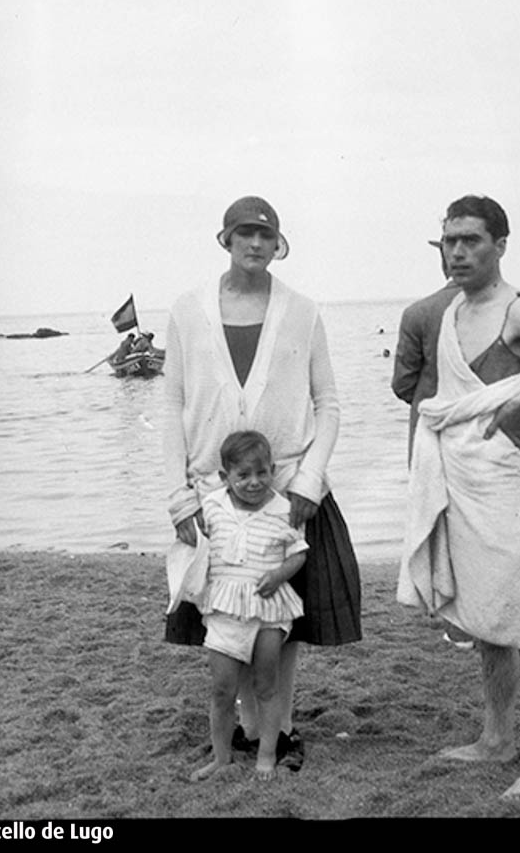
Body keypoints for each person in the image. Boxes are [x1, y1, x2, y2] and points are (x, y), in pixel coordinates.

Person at [397, 194, 520, 799]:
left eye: (471, 240)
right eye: (450, 240)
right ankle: (495, 738)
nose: (457, 251)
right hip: (456, 476)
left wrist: (519, 401)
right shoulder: (452, 311)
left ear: (500, 245)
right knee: (487, 617)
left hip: (502, 479)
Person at [162, 195, 362, 772]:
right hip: (211, 489)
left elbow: (328, 404)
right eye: (243, 233)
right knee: (226, 610)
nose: (255, 244)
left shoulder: (302, 310)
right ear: (224, 239)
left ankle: (280, 728)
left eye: (265, 235)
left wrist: (310, 482)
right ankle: (248, 730)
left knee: (279, 612)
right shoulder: (186, 310)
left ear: (279, 244)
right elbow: (172, 402)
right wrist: (179, 497)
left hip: (287, 491)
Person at [188, 431, 308, 782]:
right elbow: (193, 546)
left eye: (262, 474)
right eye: (243, 476)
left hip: (268, 608)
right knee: (222, 689)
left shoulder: (283, 510)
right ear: (226, 478)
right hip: (224, 608)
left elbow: (298, 552)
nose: (254, 483)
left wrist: (278, 574)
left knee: (266, 687)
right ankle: (221, 758)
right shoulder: (212, 506)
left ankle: (267, 755)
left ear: (273, 470)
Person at [391, 239, 460, 465]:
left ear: (443, 263)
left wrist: (435, 402)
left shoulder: (417, 313)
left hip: (433, 439)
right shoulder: (512, 306)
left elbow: (402, 384)